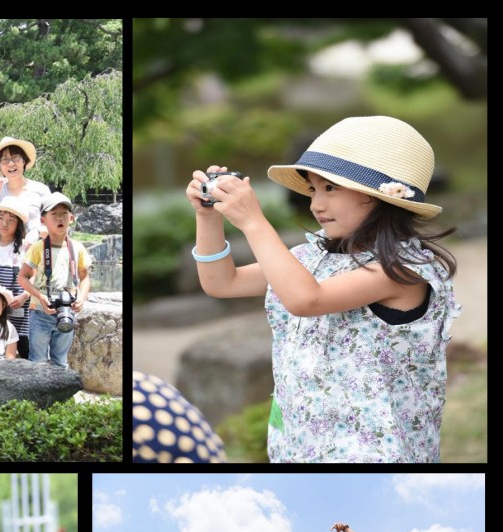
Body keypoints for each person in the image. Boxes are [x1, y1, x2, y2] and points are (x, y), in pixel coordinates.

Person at [187, 116, 460, 462]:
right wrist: (209, 217)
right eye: (313, 189)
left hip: (371, 449)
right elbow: (222, 283)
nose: (316, 204)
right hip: (301, 439)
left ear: (381, 197)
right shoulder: (311, 256)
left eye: (331, 188)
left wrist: (252, 220)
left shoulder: (403, 268)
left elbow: (306, 299)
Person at [18, 192, 92, 368]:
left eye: (64, 213)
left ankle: (61, 395)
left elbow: (84, 277)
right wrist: (39, 296)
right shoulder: (38, 248)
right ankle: (38, 395)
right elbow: (22, 277)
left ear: (71, 218)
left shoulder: (78, 248)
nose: (60, 218)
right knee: (38, 360)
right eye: (54, 214)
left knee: (60, 359)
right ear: (43, 220)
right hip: (40, 311)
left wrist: (81, 297)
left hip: (67, 311)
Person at [0, 196, 31, 358]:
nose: (4, 223)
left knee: (24, 341)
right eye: (1, 218)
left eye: (11, 220)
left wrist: (25, 296)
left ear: (18, 224)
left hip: (19, 301)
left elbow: (33, 276)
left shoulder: (26, 247)